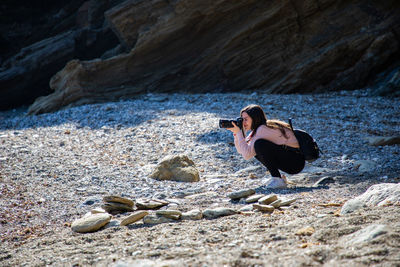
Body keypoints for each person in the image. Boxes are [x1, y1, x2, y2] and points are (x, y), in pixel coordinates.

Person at [226, 104, 305, 188]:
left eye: (246, 119)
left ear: (255, 118)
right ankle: (278, 178)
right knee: (254, 147)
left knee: (259, 145)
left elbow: (246, 155)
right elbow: (242, 150)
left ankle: (277, 179)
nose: (243, 123)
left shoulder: (262, 129)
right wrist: (237, 133)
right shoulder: (258, 130)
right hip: (292, 160)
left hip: (296, 162)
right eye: (242, 120)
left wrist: (239, 133)